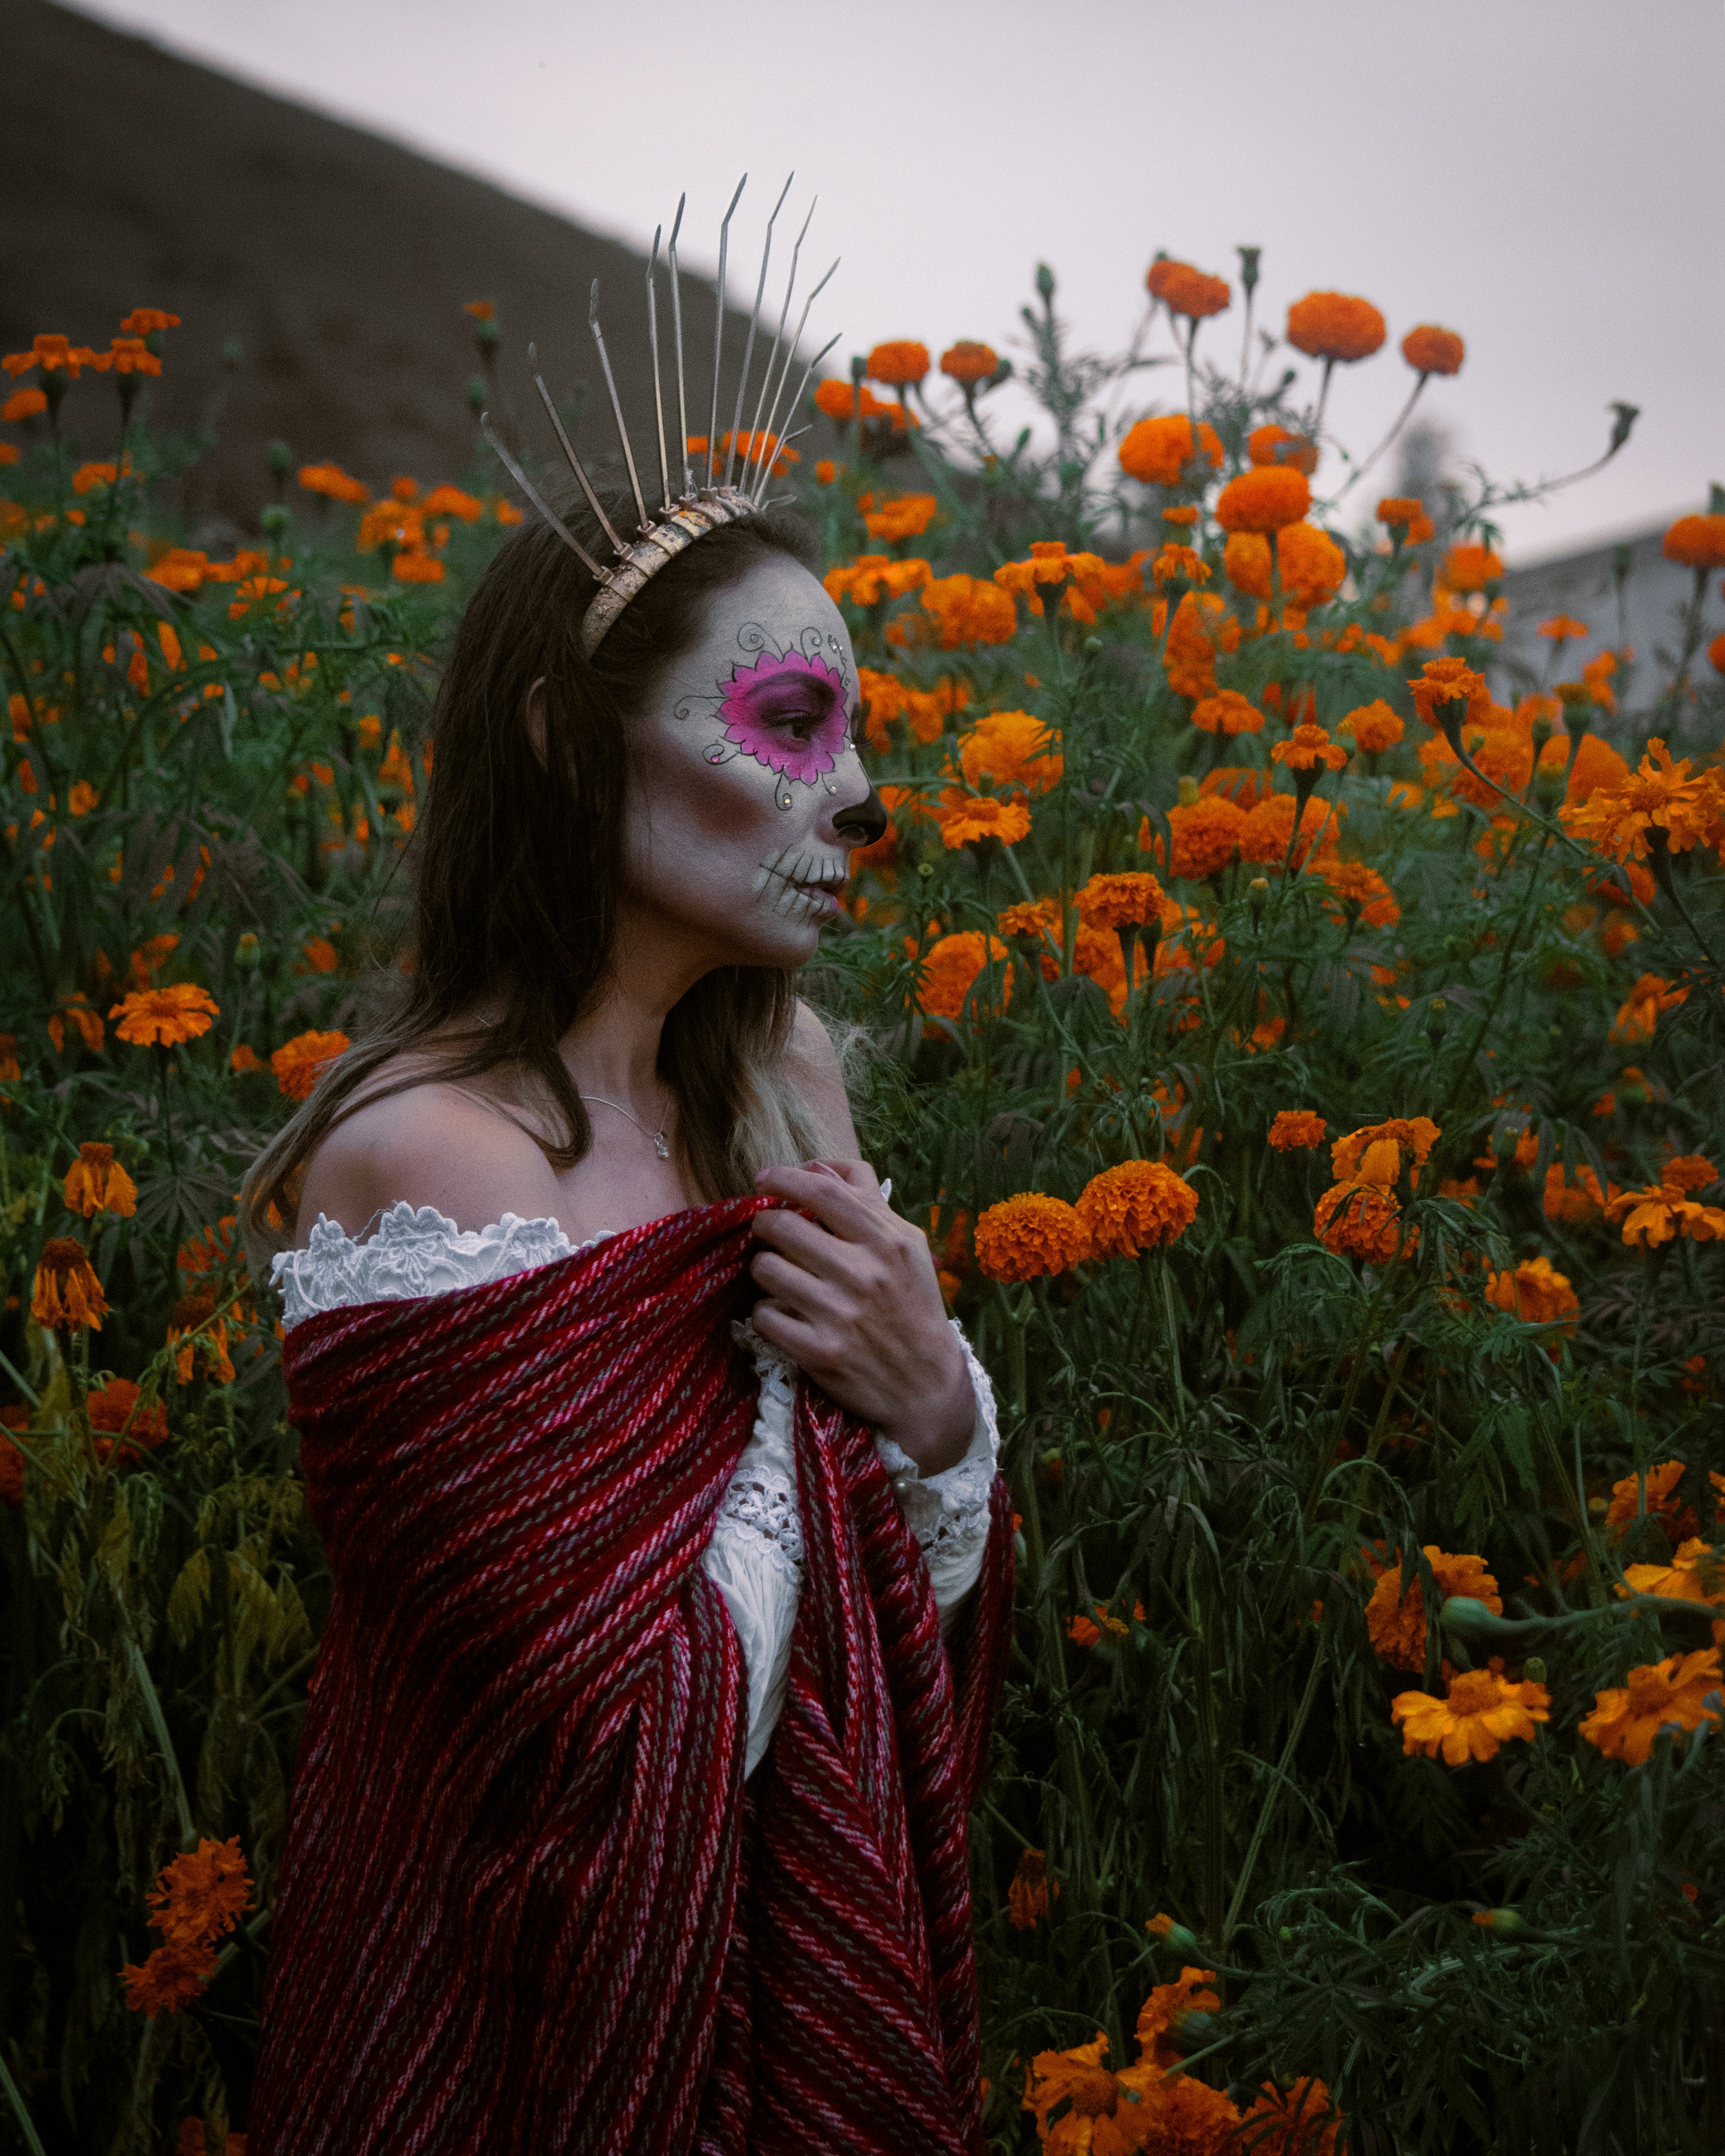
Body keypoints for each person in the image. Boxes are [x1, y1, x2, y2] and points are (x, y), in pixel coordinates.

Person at [240, 490, 1014, 2155]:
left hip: (788, 1993)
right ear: (563, 741)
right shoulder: (430, 1156)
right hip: (494, 2038)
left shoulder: (770, 1086)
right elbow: (603, 1754)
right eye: (790, 724)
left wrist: (937, 1407)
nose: (862, 797)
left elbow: (896, 1643)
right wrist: (838, 1406)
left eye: (858, 734)